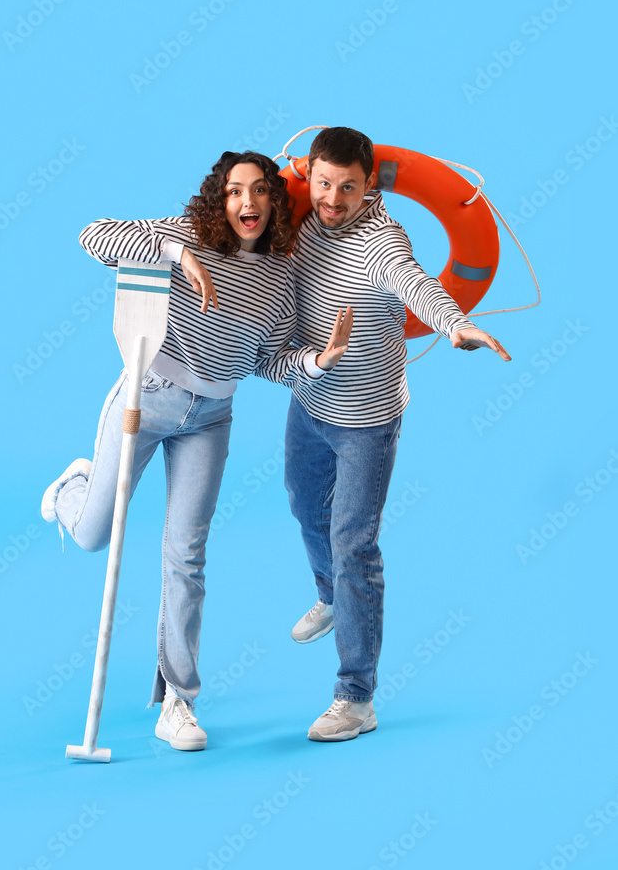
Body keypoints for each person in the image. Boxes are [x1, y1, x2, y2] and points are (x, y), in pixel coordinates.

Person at [40, 149, 352, 752]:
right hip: (148, 393)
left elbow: (268, 360)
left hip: (212, 417)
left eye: (261, 191)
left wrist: (319, 360)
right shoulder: (184, 234)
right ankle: (71, 489)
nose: (248, 204)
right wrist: (177, 252)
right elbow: (92, 236)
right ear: (220, 197)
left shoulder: (279, 276)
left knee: (186, 554)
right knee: (93, 534)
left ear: (275, 201)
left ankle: (177, 702)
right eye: (236, 191)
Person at [282, 127, 511, 742]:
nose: (332, 198)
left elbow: (417, 283)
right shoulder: (302, 221)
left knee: (354, 544)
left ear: (370, 185)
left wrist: (456, 326)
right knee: (306, 511)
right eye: (324, 184)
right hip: (309, 397)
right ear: (311, 176)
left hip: (366, 420)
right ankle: (331, 597)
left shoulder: (383, 242)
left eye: (347, 187)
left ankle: (355, 696)